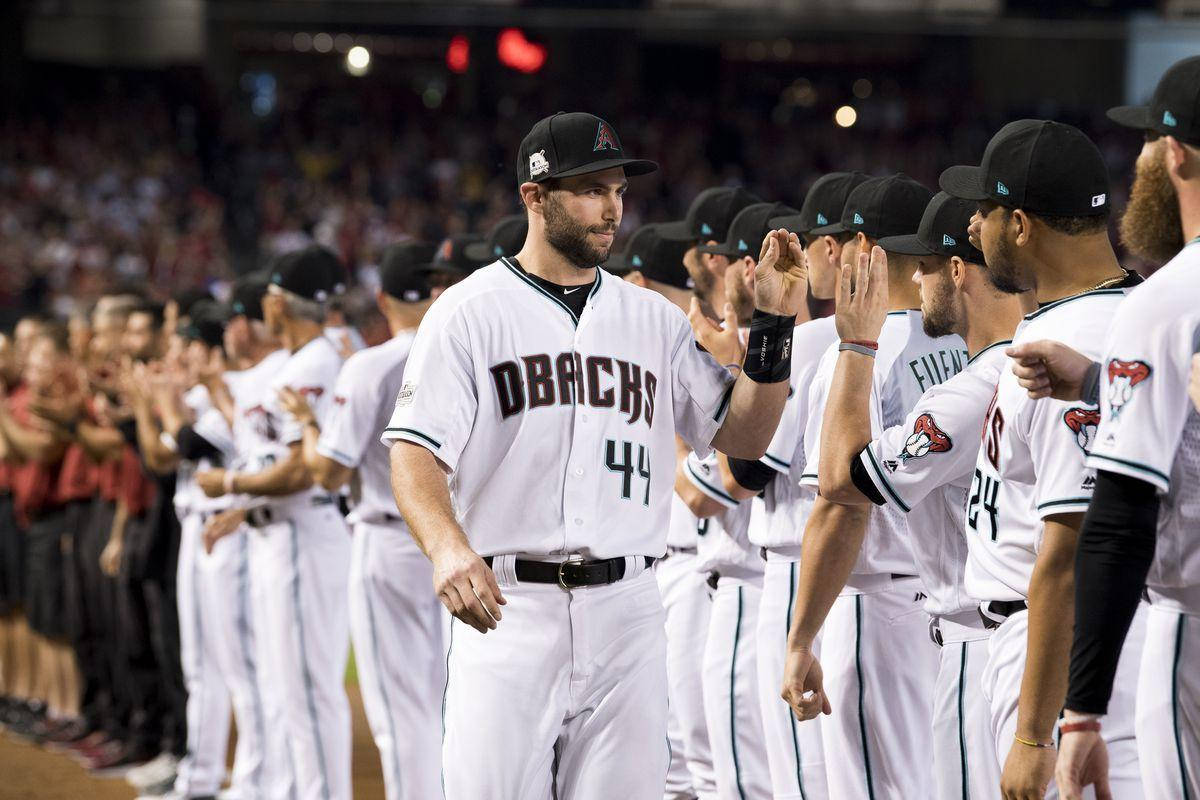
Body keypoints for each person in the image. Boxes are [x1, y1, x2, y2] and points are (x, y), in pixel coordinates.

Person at [385, 111, 804, 800]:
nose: (611, 208)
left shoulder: (654, 321)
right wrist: (445, 546)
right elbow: (413, 449)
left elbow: (746, 438)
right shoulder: (470, 312)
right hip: (510, 606)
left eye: (617, 189)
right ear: (534, 196)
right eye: (589, 189)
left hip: (630, 610)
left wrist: (775, 329)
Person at [1006, 56, 1200, 798]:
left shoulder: (1163, 301)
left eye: (1151, 142)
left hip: (1190, 629)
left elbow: (1116, 521)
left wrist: (1081, 713)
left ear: (1174, 154)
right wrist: (1097, 382)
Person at [939, 119, 1145, 799]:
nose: (974, 226)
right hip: (1046, 646)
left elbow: (1071, 552)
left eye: (987, 211)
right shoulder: (1095, 318)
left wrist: (1035, 734)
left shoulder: (1083, 332)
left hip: (1060, 656)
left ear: (1021, 225)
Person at [812, 192, 1031, 798]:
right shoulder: (1049, 360)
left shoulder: (968, 392)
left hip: (983, 641)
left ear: (958, 271)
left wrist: (856, 345)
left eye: (928, 266)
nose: (917, 276)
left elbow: (840, 480)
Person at [782, 173, 955, 800]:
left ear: (863, 246)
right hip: (961, 609)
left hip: (878, 609)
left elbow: (840, 508)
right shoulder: (970, 344)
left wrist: (801, 637)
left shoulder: (855, 354)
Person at [279, 242, 448, 800]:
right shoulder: (464, 353)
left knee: (401, 713)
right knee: (452, 702)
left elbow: (326, 473)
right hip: (456, 541)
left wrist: (309, 422)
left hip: (389, 539)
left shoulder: (370, 365)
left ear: (381, 299)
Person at [199, 247, 351, 800]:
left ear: (280, 301)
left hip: (303, 534)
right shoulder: (299, 361)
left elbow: (300, 474)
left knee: (310, 693)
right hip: (276, 532)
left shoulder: (316, 362)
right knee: (287, 691)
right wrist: (240, 507)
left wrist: (232, 488)